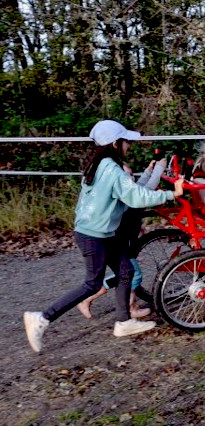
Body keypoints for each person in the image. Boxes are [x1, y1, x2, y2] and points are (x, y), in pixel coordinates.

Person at [23, 120, 184, 353]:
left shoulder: (99, 165)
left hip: (99, 232)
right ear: (115, 143)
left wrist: (150, 173)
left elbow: (128, 193)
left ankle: (124, 322)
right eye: (126, 141)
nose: (129, 146)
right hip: (94, 235)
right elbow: (136, 197)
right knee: (92, 283)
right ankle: (41, 318)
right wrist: (172, 194)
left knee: (126, 272)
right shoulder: (111, 168)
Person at [76, 159, 168, 319]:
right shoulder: (125, 197)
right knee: (133, 275)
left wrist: (148, 171)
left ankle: (93, 300)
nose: (130, 179)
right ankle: (128, 307)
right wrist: (159, 170)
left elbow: (140, 186)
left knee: (125, 275)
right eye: (127, 176)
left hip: (125, 242)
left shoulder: (128, 192)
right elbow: (147, 189)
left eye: (131, 175)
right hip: (120, 243)